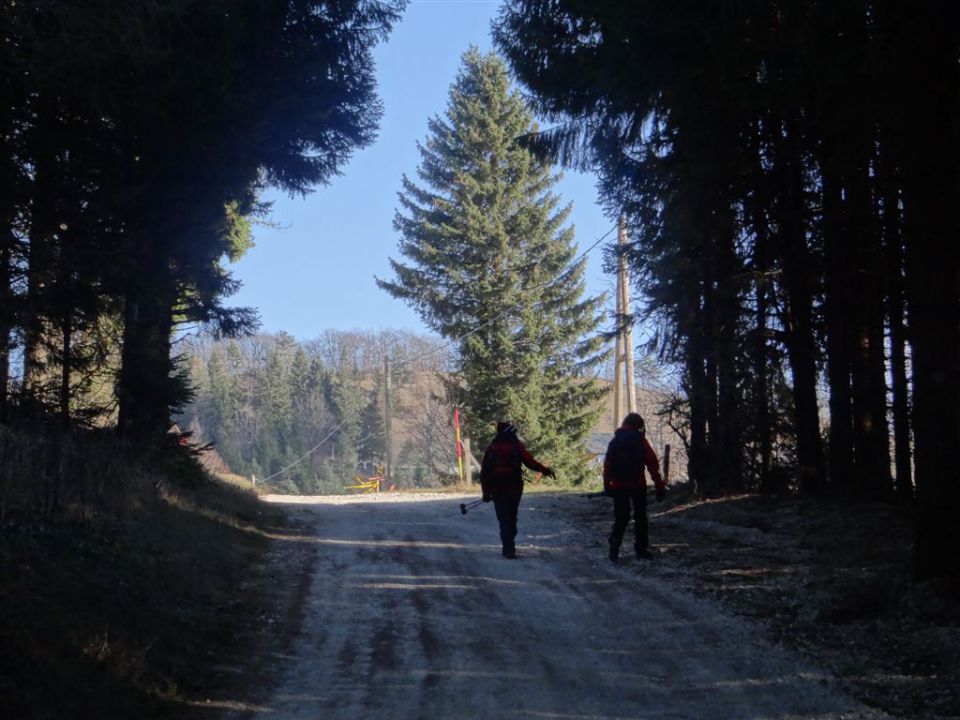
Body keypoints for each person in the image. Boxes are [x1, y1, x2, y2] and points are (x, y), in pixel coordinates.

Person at [480, 421, 555, 558]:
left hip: (497, 488)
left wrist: (486, 493)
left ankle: (508, 547)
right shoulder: (517, 447)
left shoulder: (491, 449)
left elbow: (485, 473)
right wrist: (545, 470)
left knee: (503, 518)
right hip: (514, 487)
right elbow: (530, 462)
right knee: (512, 516)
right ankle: (510, 544)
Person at [603, 412, 665, 562]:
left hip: (619, 486)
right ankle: (641, 550)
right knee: (640, 517)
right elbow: (652, 463)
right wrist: (659, 486)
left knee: (621, 518)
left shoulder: (615, 440)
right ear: (639, 425)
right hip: (638, 485)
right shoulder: (640, 440)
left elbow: (607, 464)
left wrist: (607, 485)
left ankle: (615, 542)